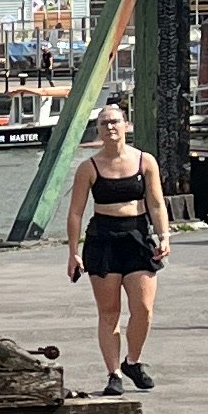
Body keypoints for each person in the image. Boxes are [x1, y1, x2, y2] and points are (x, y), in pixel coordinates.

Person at [63, 99, 167, 391]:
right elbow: (75, 213)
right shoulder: (89, 167)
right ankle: (114, 374)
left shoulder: (145, 161)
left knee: (143, 308)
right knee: (109, 312)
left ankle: (133, 361)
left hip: (137, 236)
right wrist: (73, 252)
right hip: (103, 239)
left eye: (114, 121)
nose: (110, 127)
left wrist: (164, 236)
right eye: (104, 123)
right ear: (97, 130)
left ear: (126, 126)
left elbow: (156, 203)